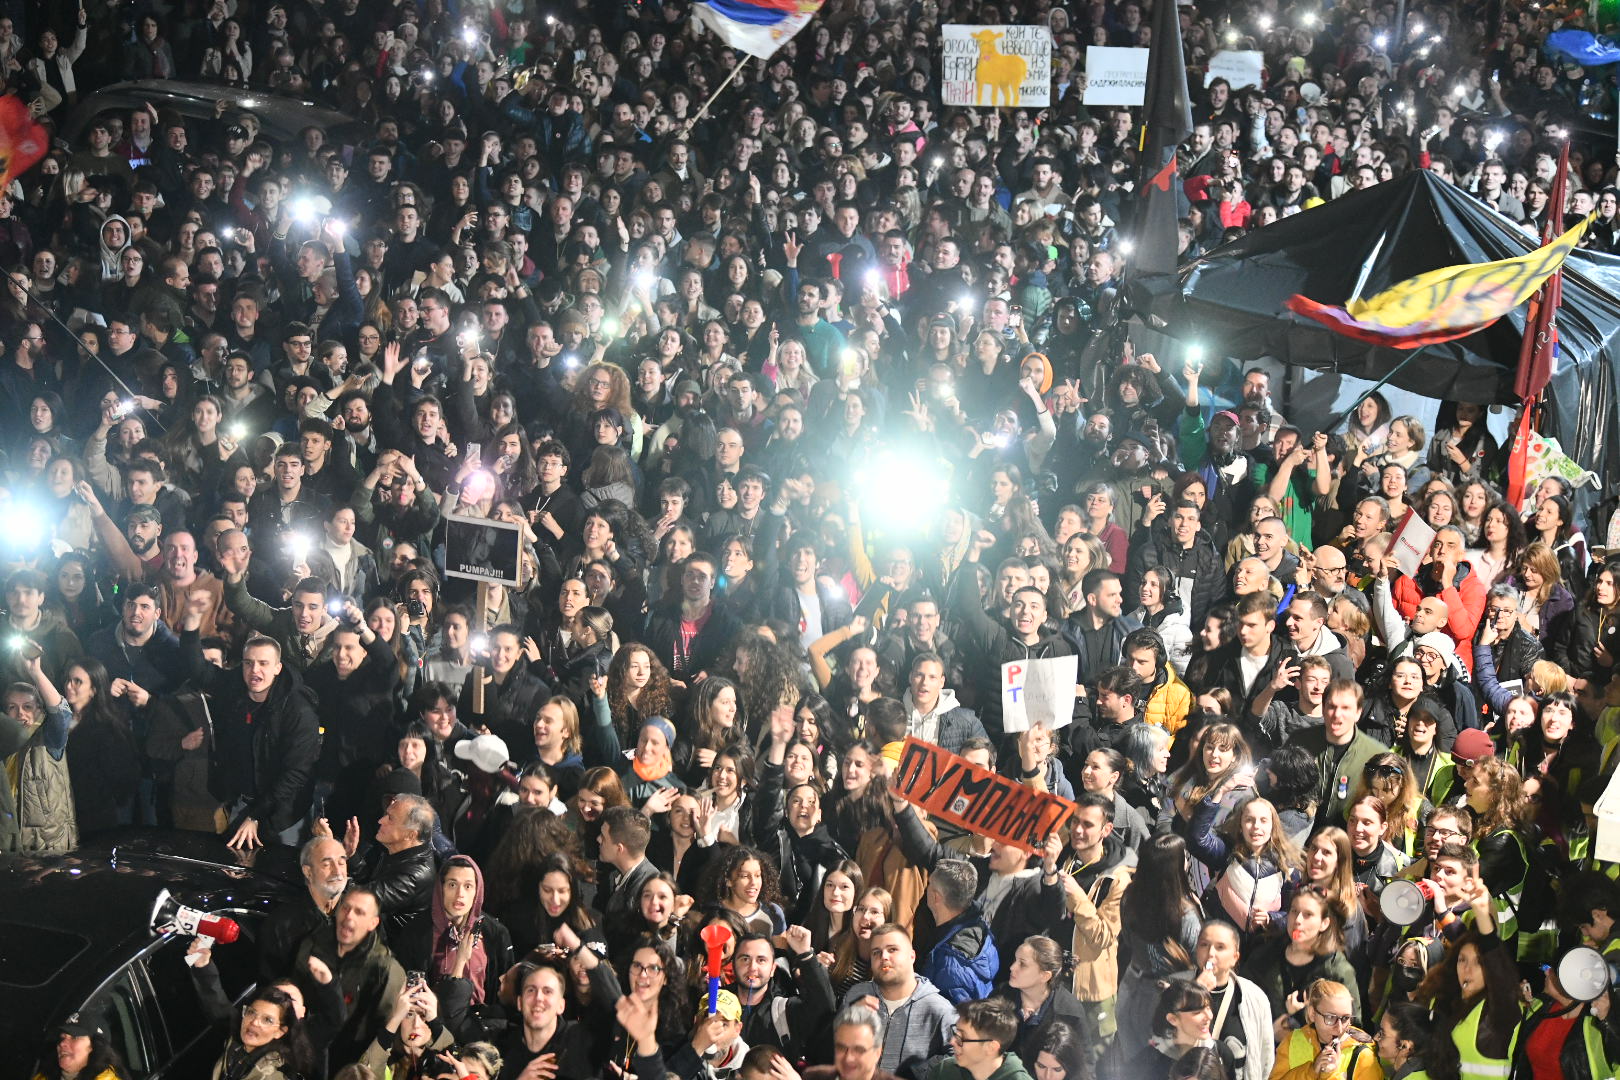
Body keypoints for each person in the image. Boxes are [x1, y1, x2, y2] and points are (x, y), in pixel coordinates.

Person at [840, 924, 957, 1080]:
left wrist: (918, 1073)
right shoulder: (856, 995)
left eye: (892, 949)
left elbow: (961, 1056)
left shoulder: (938, 1009)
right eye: (876, 952)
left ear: (912, 956)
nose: (884, 957)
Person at [1270, 978, 1380, 1080]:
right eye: (1330, 1018)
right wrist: (1311, 1071)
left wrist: (1330, 1075)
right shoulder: (1292, 1041)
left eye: (1345, 1018)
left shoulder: (1364, 1055)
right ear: (1312, 1013)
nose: (1339, 1028)